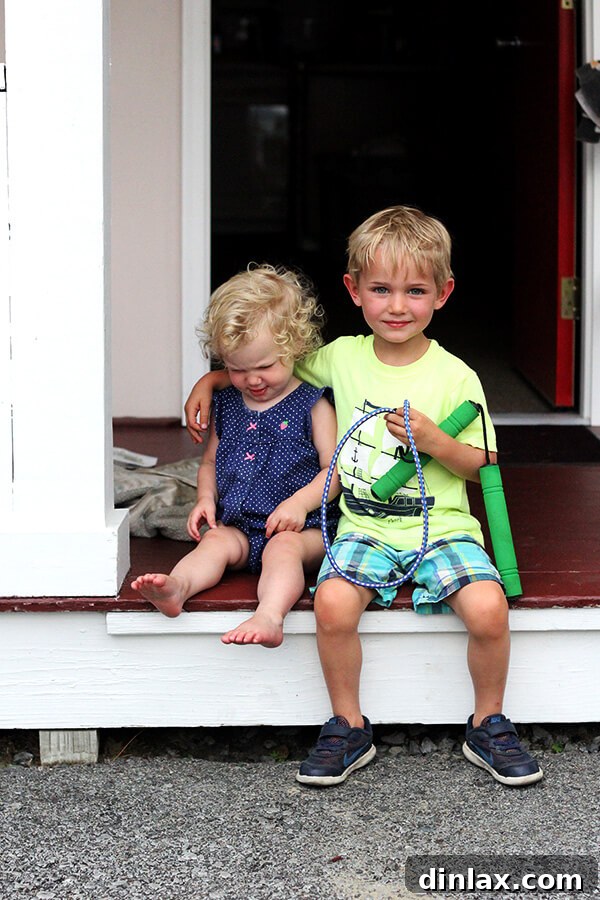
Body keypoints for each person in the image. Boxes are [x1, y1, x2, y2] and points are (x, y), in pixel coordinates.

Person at [184, 206, 543, 788]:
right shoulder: (339, 358)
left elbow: (484, 469)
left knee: (487, 608)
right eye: (380, 289)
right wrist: (211, 380)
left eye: (415, 291)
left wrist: (435, 440)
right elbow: (268, 366)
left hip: (444, 525)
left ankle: (488, 721)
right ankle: (348, 725)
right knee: (331, 605)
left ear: (443, 294)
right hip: (364, 528)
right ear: (353, 290)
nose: (397, 306)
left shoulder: (457, 377)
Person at [132, 263, 340, 649]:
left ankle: (270, 616)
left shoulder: (312, 404)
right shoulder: (228, 403)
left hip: (302, 529)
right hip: (240, 526)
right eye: (237, 369)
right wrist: (205, 500)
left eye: (266, 366)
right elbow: (209, 461)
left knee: (283, 551)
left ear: (295, 347)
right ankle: (178, 588)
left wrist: (298, 504)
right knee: (213, 542)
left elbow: (335, 470)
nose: (253, 380)